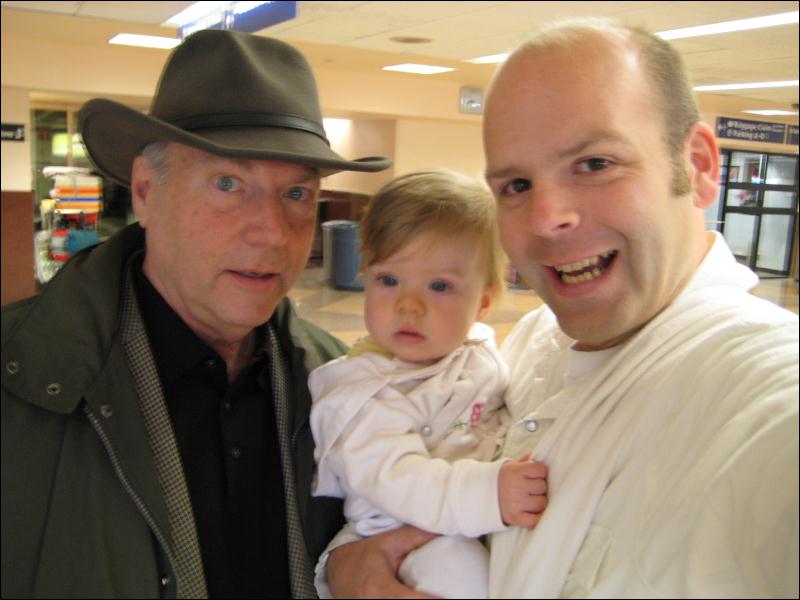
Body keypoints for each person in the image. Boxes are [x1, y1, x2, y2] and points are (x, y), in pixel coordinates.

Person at [327, 18, 799, 599]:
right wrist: (348, 566)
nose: (547, 218)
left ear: (699, 166)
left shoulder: (771, 398)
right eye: (516, 185)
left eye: (595, 164)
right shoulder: (530, 341)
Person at [1, 29, 392, 599]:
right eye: (228, 183)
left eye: (297, 194)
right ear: (145, 192)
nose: (272, 232)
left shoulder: (341, 381)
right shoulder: (24, 379)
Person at [309, 171, 548, 599]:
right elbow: (398, 480)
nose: (408, 304)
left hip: (469, 515)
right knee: (463, 577)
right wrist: (489, 493)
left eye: (439, 286)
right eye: (388, 280)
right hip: (405, 537)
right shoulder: (362, 392)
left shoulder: (476, 355)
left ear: (483, 303)